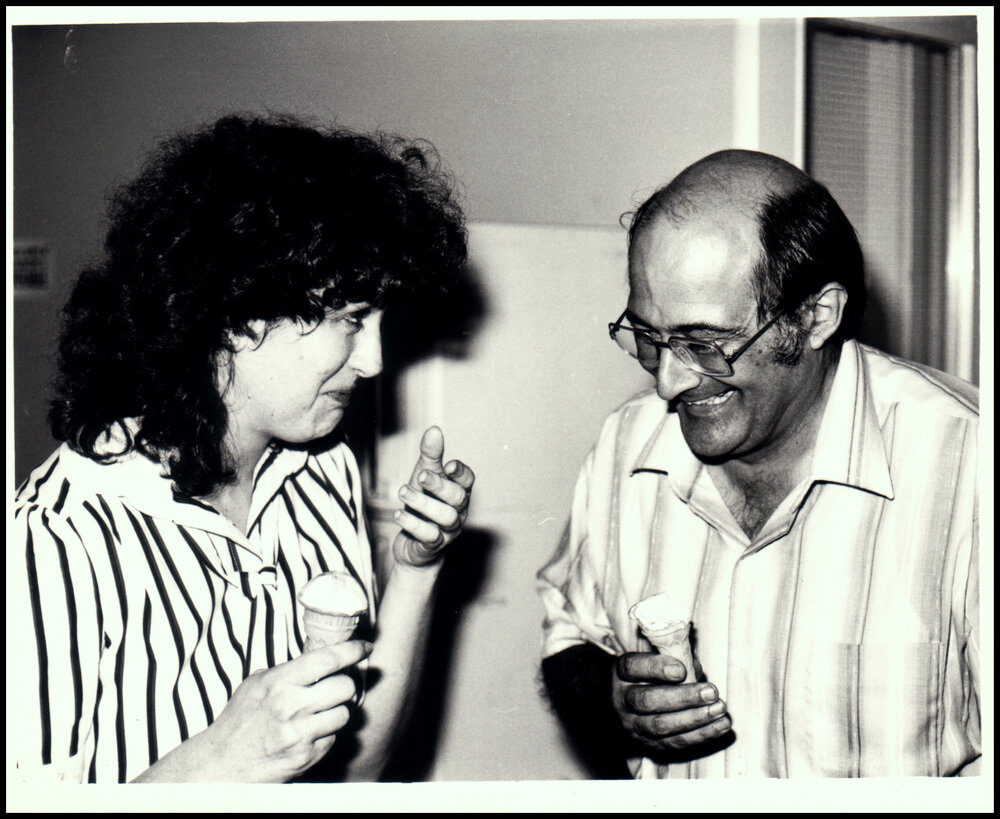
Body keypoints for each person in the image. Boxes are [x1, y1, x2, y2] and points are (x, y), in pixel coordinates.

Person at [12, 114, 475, 783]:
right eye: (350, 321)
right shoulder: (54, 540)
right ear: (237, 314)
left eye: (379, 321)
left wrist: (416, 569)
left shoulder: (323, 470)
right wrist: (223, 762)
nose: (374, 361)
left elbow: (353, 770)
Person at [537, 149, 980, 779]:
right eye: (646, 338)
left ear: (817, 315)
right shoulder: (625, 444)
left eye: (705, 345)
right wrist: (615, 700)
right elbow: (568, 635)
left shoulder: (969, 466)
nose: (667, 384)